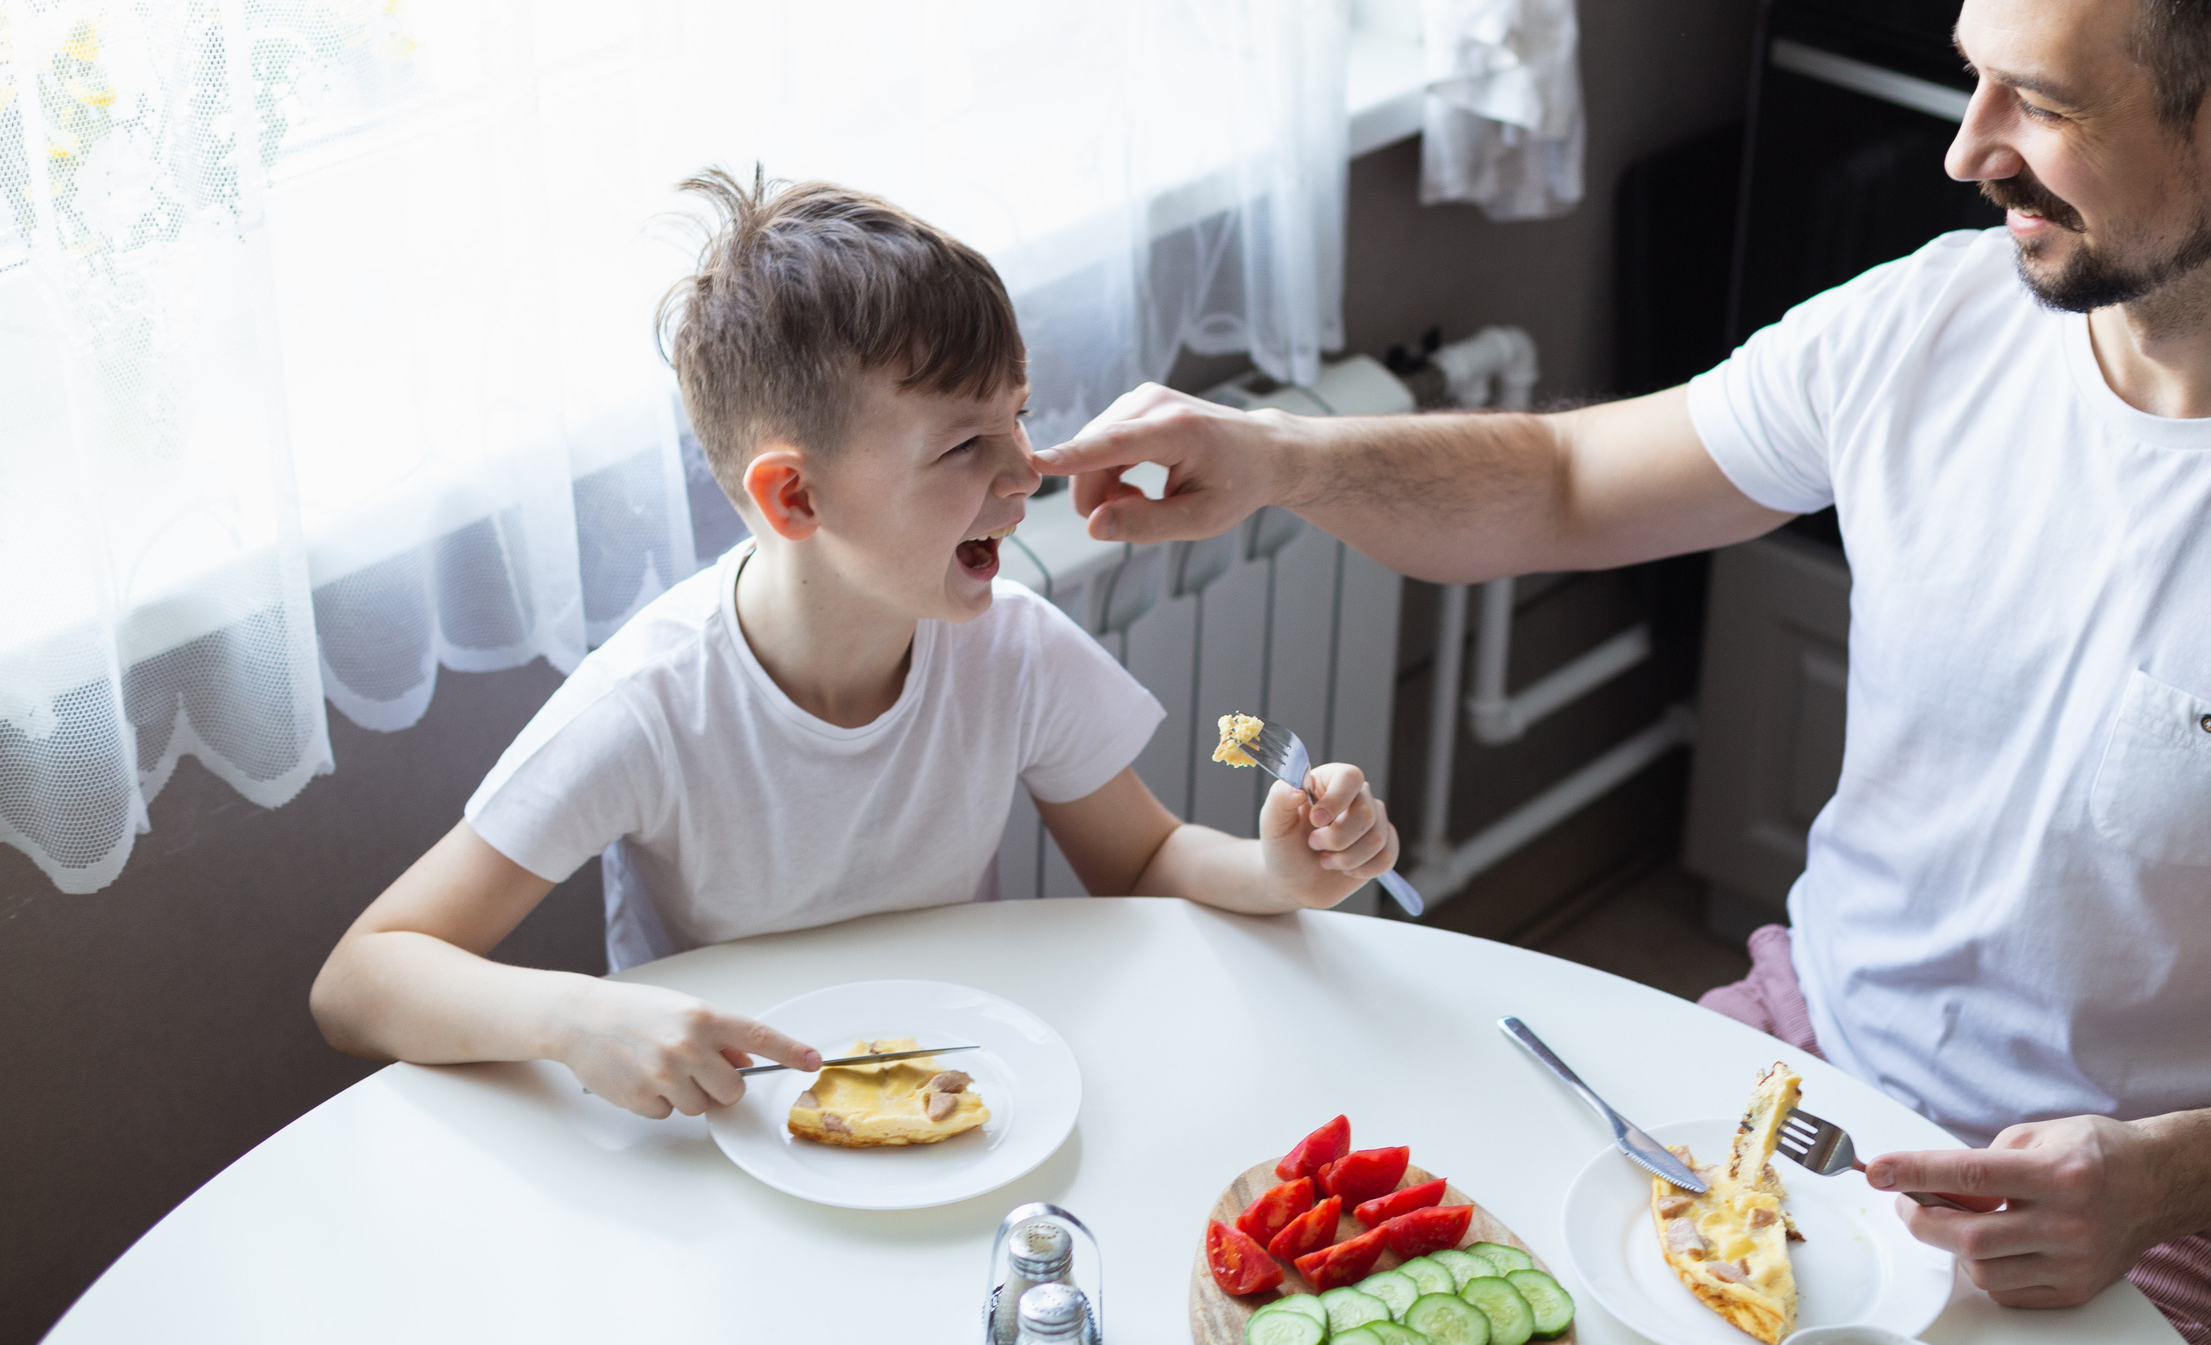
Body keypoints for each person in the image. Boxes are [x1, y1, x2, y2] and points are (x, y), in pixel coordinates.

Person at [1030, 0, 2211, 1345]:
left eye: (2042, 99)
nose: (1970, 150)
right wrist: (1282, 458)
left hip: (2152, 1206)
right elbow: (1563, 478)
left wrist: (2165, 1172)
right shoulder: (1930, 323)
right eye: (1977, 78)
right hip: (1799, 1054)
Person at [311, 169, 1399, 1119]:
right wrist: (569, 1018)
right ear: (794, 497)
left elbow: (1144, 860)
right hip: (729, 1134)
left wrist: (1274, 873)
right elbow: (361, 981)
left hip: (955, 1099)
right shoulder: (651, 706)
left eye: (1017, 418)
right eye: (968, 444)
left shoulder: (1011, 650)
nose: (1025, 476)